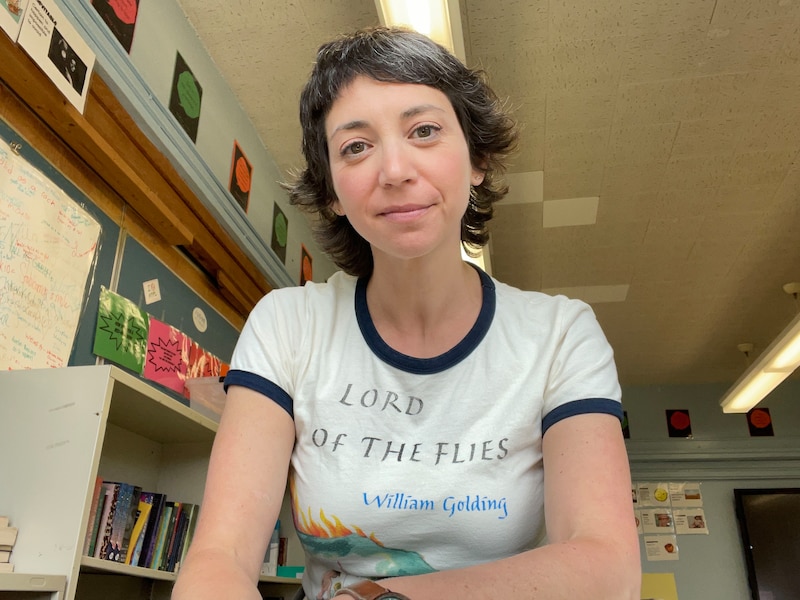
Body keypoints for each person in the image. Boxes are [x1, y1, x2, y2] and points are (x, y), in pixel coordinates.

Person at [172, 26, 641, 600]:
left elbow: (606, 564)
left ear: (477, 162)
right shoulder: (287, 324)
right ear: (333, 194)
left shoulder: (561, 334)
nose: (394, 170)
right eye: (356, 146)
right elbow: (221, 555)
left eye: (424, 131)